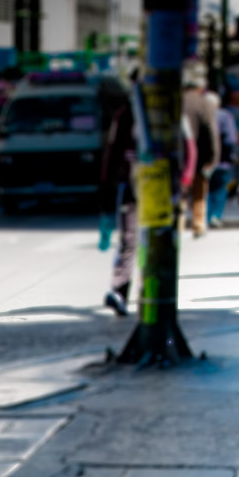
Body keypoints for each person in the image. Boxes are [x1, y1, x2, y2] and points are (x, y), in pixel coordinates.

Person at [98, 96, 137, 317]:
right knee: (129, 240)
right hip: (132, 187)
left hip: (158, 188)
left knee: (139, 242)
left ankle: (148, 295)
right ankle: (120, 291)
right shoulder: (125, 115)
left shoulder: (170, 110)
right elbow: (113, 154)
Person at [181, 69, 220, 237]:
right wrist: (213, 157)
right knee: (199, 192)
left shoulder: (178, 100)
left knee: (180, 193)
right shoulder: (204, 103)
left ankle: (179, 223)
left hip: (179, 155)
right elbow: (211, 132)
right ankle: (198, 224)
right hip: (200, 156)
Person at [207, 91, 239, 228]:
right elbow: (230, 140)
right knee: (220, 189)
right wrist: (231, 156)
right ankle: (215, 215)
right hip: (222, 161)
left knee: (205, 190)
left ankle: (206, 216)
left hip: (205, 161)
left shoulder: (202, 115)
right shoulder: (225, 116)